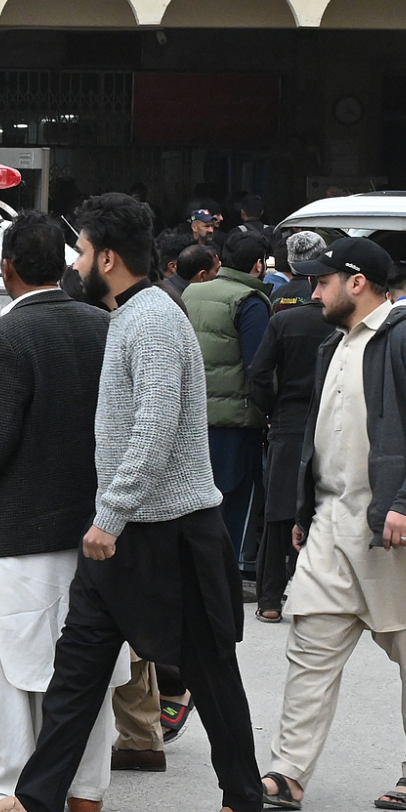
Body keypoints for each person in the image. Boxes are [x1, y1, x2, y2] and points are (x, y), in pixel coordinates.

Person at [0, 192, 265, 812]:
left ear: (109, 258)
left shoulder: (153, 319)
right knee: (77, 668)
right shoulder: (126, 316)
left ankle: (243, 809)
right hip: (126, 529)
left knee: (209, 670)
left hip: (171, 529)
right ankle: (35, 807)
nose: (76, 264)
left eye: (84, 252)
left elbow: (156, 424)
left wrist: (111, 514)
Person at [260, 236, 406, 812]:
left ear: (357, 283)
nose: (312, 292)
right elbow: (322, 435)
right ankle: (288, 772)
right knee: (309, 650)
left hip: (395, 530)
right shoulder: (333, 344)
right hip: (330, 525)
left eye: (322, 281)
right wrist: (306, 511)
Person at [0, 212, 114, 812]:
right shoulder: (103, 325)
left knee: (7, 668)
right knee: (84, 660)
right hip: (92, 526)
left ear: (6, 267)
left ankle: (0, 784)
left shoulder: (9, 335)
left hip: (20, 527)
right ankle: (86, 787)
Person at [246, 231, 330, 623]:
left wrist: (271, 408)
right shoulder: (341, 324)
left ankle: (269, 599)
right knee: (324, 508)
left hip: (288, 421)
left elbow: (259, 374)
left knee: (279, 511)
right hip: (330, 421)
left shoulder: (281, 315)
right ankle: (315, 597)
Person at [184, 230, 273, 575]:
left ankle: (196, 576)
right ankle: (224, 579)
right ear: (258, 265)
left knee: (196, 507)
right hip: (236, 423)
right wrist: (269, 410)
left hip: (193, 419)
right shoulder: (250, 301)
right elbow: (258, 368)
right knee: (233, 507)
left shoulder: (191, 292)